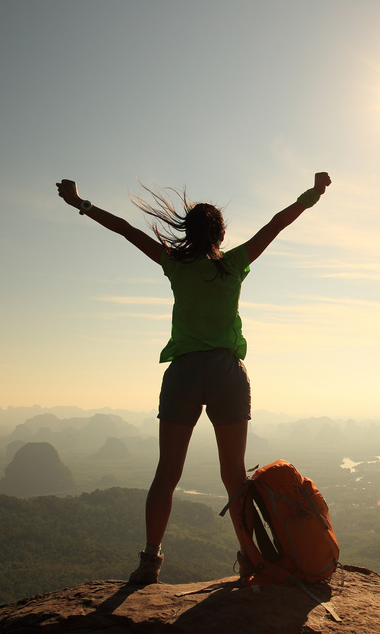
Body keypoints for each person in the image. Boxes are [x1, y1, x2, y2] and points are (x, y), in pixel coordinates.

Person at [55, 172, 332, 585]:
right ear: (220, 233)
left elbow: (127, 230)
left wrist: (82, 203)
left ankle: (150, 560)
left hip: (184, 373)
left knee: (167, 472)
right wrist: (313, 194)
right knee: (234, 475)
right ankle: (252, 558)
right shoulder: (234, 264)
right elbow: (276, 223)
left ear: (188, 232)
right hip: (226, 373)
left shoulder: (174, 264)